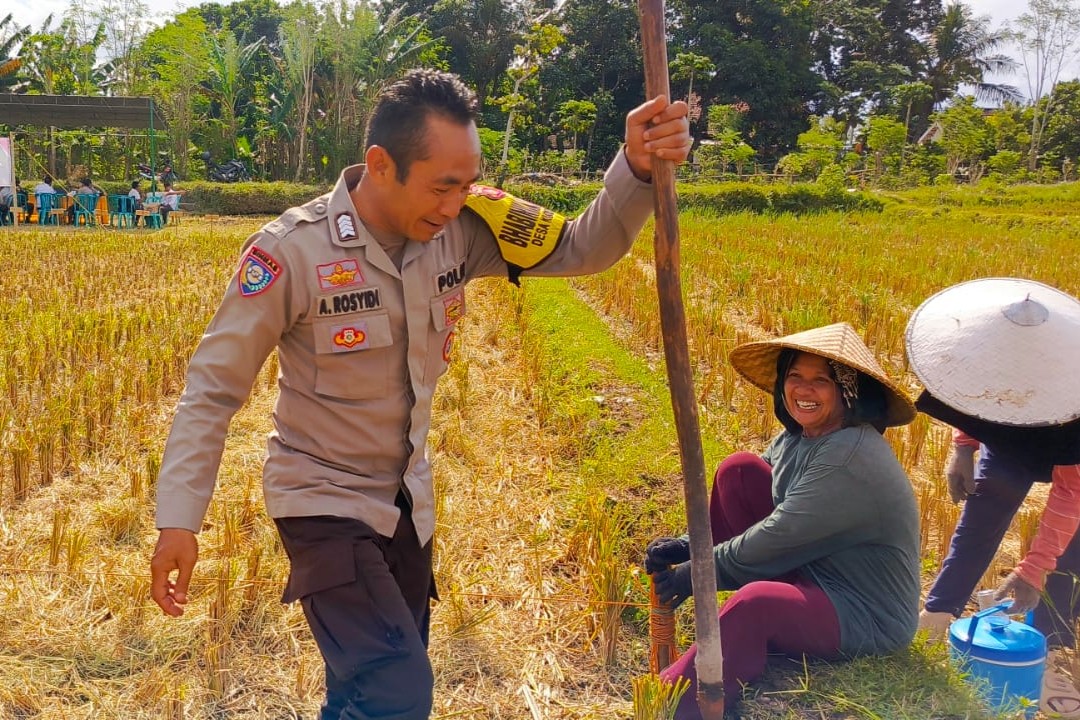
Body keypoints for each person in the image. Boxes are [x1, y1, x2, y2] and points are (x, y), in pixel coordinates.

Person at [149, 68, 691, 720]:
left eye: (467, 184)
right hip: (321, 502)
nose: (456, 203)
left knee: (365, 694)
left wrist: (633, 167)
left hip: (409, 509)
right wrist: (179, 519)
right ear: (381, 164)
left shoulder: (463, 226)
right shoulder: (292, 252)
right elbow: (212, 388)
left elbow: (581, 246)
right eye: (442, 186)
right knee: (396, 691)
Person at [645, 322, 919, 718]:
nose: (803, 390)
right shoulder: (800, 436)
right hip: (815, 566)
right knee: (739, 471)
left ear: (847, 391)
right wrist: (692, 546)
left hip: (862, 610)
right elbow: (766, 503)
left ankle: (672, 703)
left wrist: (699, 573)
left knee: (757, 604)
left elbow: (781, 533)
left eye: (820, 381)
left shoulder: (850, 455)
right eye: (795, 376)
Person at [906, 277, 1080, 718]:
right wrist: (963, 448)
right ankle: (936, 618)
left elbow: (1071, 492)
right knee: (982, 513)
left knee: (1071, 553)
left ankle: (1052, 651)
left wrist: (1033, 569)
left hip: (1073, 448)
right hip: (1012, 439)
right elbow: (971, 391)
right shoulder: (989, 353)